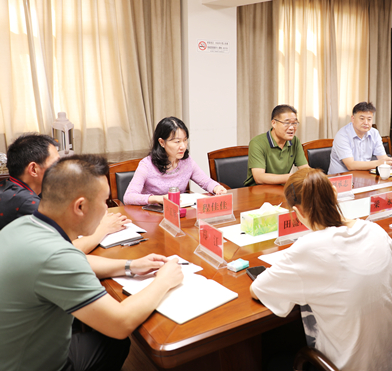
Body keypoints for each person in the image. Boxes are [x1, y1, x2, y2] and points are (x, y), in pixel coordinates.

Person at [0, 155, 184, 371]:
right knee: (115, 340)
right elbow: (121, 323)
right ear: (80, 206)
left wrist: (131, 265)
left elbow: (78, 260)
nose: (107, 209)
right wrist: (164, 281)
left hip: (12, 350)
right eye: (104, 201)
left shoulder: (25, 224)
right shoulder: (56, 257)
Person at [250, 168, 392, 371]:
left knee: (273, 362)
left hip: (343, 367)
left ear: (297, 212)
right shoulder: (374, 229)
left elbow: (257, 290)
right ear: (335, 194)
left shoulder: (308, 247)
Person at [0, 133, 130, 254]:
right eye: (56, 163)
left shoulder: (9, 188)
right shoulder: (27, 202)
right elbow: (66, 250)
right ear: (34, 169)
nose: (60, 167)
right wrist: (104, 228)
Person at [124, 117, 226, 205]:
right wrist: (158, 199)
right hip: (151, 214)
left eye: (185, 140)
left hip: (178, 213)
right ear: (162, 142)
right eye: (177, 141)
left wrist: (217, 188)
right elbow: (128, 197)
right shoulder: (146, 165)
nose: (183, 146)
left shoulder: (187, 161)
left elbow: (206, 182)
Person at [244, 105, 309, 186]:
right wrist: (293, 177)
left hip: (282, 188)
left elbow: (305, 169)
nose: (292, 128)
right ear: (274, 123)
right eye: (287, 123)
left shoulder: (294, 141)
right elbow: (259, 177)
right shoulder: (257, 143)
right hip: (258, 189)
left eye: (294, 123)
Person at [328, 102, 392, 174]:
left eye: (369, 119)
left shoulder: (374, 133)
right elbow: (350, 165)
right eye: (362, 119)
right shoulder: (342, 135)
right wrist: (379, 163)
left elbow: (383, 158)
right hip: (341, 177)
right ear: (353, 118)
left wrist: (391, 161)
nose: (366, 123)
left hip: (364, 176)